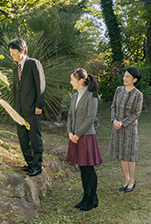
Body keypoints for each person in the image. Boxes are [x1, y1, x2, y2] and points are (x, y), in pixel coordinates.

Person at [67, 68, 103, 212]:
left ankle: (93, 198)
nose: (70, 82)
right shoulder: (74, 96)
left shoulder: (91, 96)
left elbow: (90, 119)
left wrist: (78, 134)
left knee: (89, 168)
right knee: (82, 167)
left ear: (81, 81)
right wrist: (70, 132)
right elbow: (70, 115)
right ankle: (85, 196)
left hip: (86, 136)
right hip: (75, 136)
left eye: (72, 80)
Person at [9, 38, 45, 177]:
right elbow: (15, 91)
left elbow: (40, 86)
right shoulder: (15, 69)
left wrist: (39, 105)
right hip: (19, 109)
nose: (11, 54)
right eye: (10, 52)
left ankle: (37, 166)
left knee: (34, 137)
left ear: (23, 50)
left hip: (32, 108)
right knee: (22, 137)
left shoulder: (34, 63)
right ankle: (30, 163)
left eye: (13, 52)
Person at [108, 67, 143, 193]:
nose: (125, 78)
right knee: (121, 155)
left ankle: (132, 180)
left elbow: (136, 113)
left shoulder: (138, 95)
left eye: (128, 77)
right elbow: (113, 107)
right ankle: (126, 179)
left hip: (129, 129)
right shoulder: (118, 90)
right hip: (117, 126)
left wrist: (122, 123)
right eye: (124, 76)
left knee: (130, 156)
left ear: (134, 79)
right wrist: (114, 120)